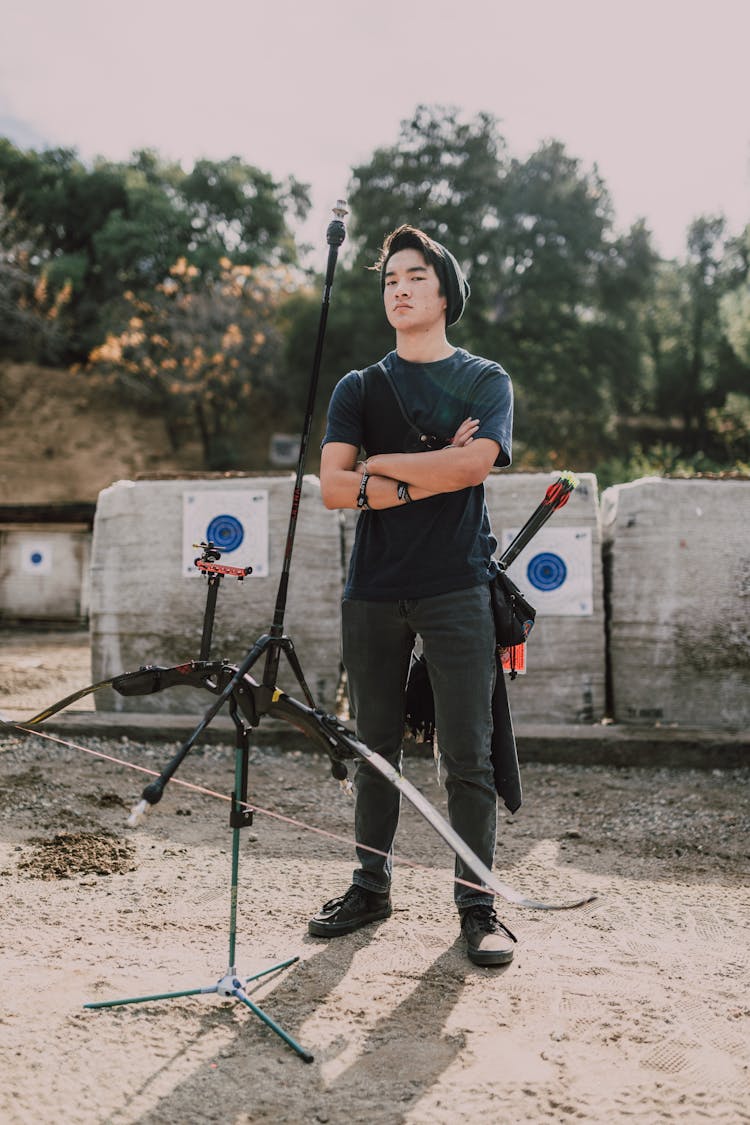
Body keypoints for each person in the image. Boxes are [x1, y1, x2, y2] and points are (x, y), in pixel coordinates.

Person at [309, 224, 516, 966]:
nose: (398, 287)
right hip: (374, 589)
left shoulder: (485, 380)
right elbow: (332, 488)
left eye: (415, 276)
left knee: (469, 753)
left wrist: (381, 472)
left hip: (457, 584)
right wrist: (432, 460)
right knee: (375, 748)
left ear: (445, 292)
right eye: (390, 277)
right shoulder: (359, 387)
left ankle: (478, 906)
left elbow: (474, 470)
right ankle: (370, 887)